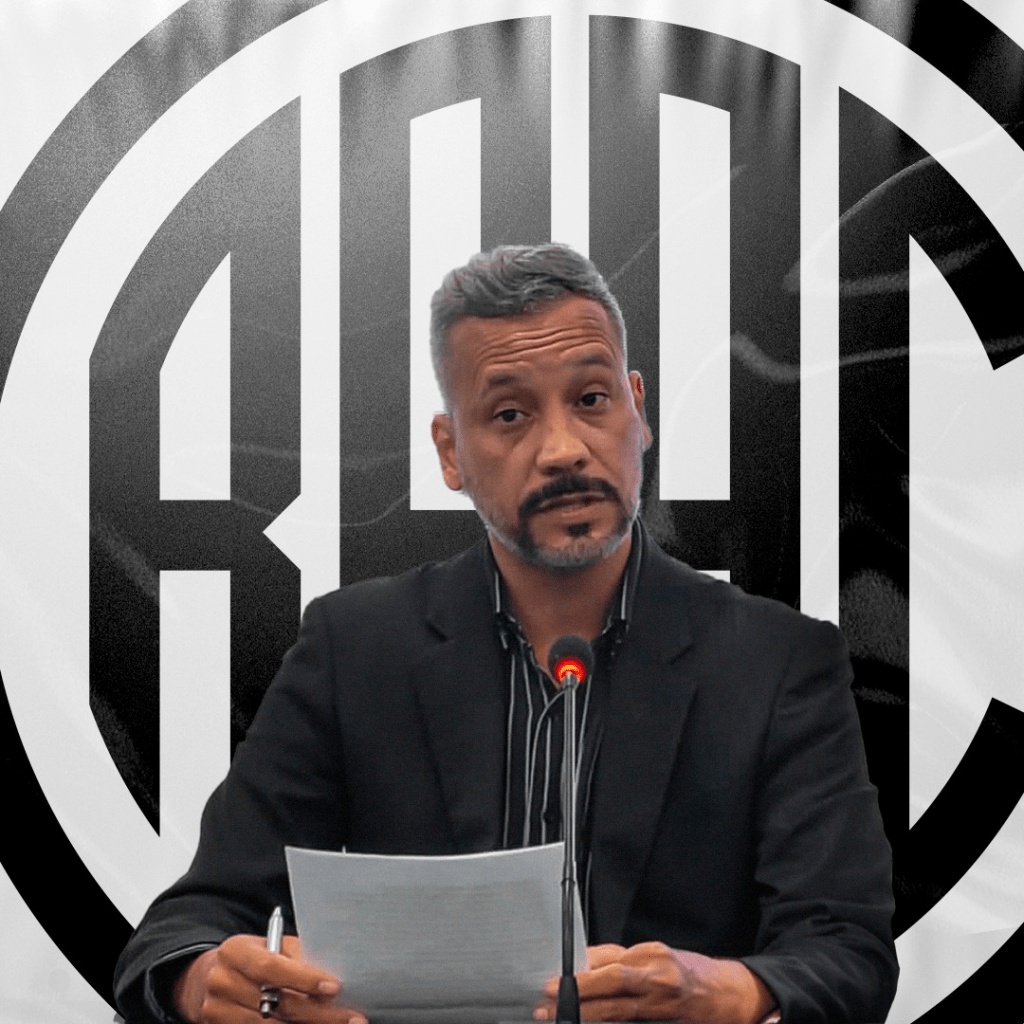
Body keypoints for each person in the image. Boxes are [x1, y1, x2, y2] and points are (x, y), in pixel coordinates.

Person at [114, 243, 898, 1024]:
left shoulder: (778, 661)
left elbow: (847, 951)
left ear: (638, 411)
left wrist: (728, 991)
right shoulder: (353, 650)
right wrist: (207, 980)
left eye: (591, 399)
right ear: (450, 452)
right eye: (511, 415)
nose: (563, 450)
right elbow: (185, 929)